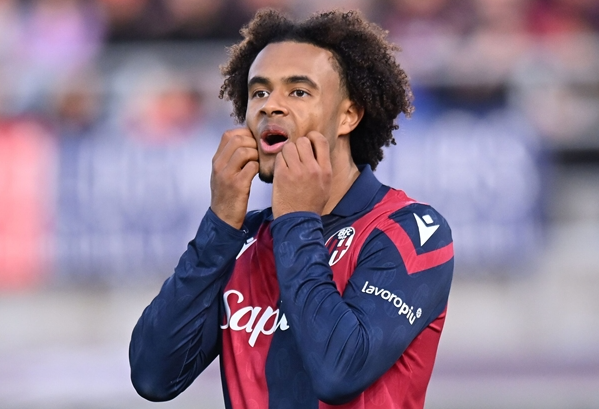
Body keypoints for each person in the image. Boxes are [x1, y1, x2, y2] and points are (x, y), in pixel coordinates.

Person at [129, 8, 454, 409]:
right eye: (259, 93)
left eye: (298, 92)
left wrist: (297, 219)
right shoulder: (239, 240)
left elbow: (338, 373)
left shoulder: (410, 231)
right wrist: (218, 227)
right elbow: (153, 376)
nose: (271, 106)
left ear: (348, 116)